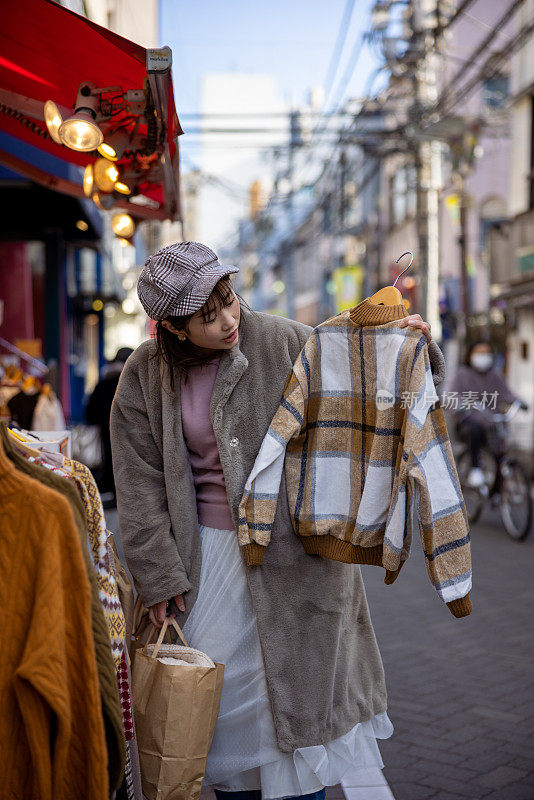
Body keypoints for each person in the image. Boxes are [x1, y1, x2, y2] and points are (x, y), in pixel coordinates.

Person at [110, 242, 446, 800]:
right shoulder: (143, 376)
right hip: (204, 566)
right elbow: (138, 480)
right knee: (220, 731)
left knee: (298, 730)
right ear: (171, 328)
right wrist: (159, 576)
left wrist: (408, 350)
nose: (227, 319)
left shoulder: (287, 340)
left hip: (295, 561)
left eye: (229, 300)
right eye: (207, 315)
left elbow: (364, 399)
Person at [448, 340, 526, 488]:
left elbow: (506, 394)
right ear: (470, 355)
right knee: (474, 430)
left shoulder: (495, 375)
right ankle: (475, 468)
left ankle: (497, 492)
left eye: (486, 353)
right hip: (468, 421)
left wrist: (520, 402)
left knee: (500, 453)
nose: (483, 356)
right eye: (479, 353)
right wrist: (461, 405)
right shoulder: (462, 374)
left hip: (491, 422)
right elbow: (453, 396)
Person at [86, 346, 133, 506]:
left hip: (108, 433)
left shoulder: (104, 383)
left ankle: (114, 494)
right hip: (134, 433)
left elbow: (90, 413)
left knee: (111, 461)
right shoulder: (138, 382)